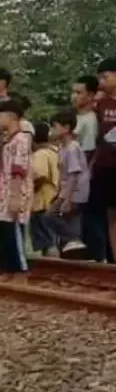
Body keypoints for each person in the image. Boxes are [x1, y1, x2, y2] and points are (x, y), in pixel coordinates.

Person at [0, 99, 34, 279]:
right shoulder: (8, 140)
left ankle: (19, 270)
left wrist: (16, 197)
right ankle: (7, 268)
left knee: (14, 232)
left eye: (0, 116)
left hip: (14, 192)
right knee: (3, 232)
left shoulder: (21, 139)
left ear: (11, 117)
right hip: (4, 193)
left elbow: (19, 169)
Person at [73, 74, 107, 262]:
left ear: (91, 95)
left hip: (85, 177)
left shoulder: (90, 120)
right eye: (73, 92)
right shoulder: (76, 118)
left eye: (79, 92)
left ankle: (99, 259)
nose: (74, 96)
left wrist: (81, 177)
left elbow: (87, 152)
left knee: (92, 220)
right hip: (73, 176)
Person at [49, 109, 89, 259]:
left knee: (50, 215)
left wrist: (67, 199)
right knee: (71, 220)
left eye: (56, 126)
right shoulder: (62, 148)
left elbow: (73, 175)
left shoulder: (72, 148)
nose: (53, 130)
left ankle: (73, 240)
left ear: (66, 128)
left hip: (75, 192)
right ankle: (71, 245)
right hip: (67, 191)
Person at [94, 58, 116, 263]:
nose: (102, 81)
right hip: (106, 167)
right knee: (110, 214)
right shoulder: (100, 104)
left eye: (106, 76)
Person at [28, 121, 60, 256]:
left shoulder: (40, 154)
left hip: (41, 203)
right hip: (55, 200)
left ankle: (52, 268)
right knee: (53, 238)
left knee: (47, 241)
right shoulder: (55, 151)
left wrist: (30, 191)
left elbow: (40, 176)